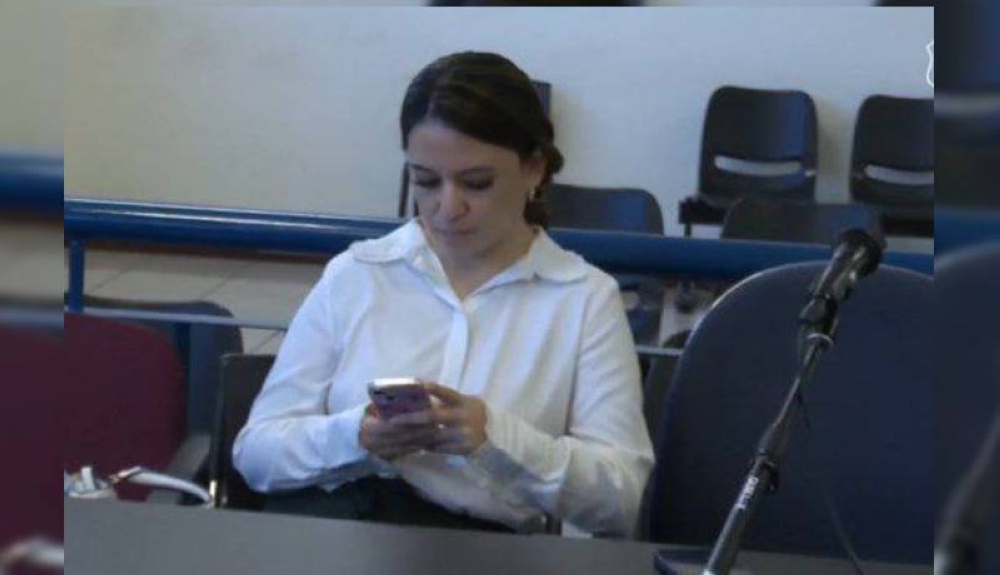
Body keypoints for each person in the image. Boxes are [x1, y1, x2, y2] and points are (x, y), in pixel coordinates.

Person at [233, 51, 654, 537]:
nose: (447, 208)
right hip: (330, 530)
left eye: (477, 183)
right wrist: (356, 435)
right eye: (425, 181)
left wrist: (495, 440)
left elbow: (620, 500)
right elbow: (256, 453)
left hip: (475, 551)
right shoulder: (357, 274)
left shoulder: (584, 299)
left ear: (534, 169)